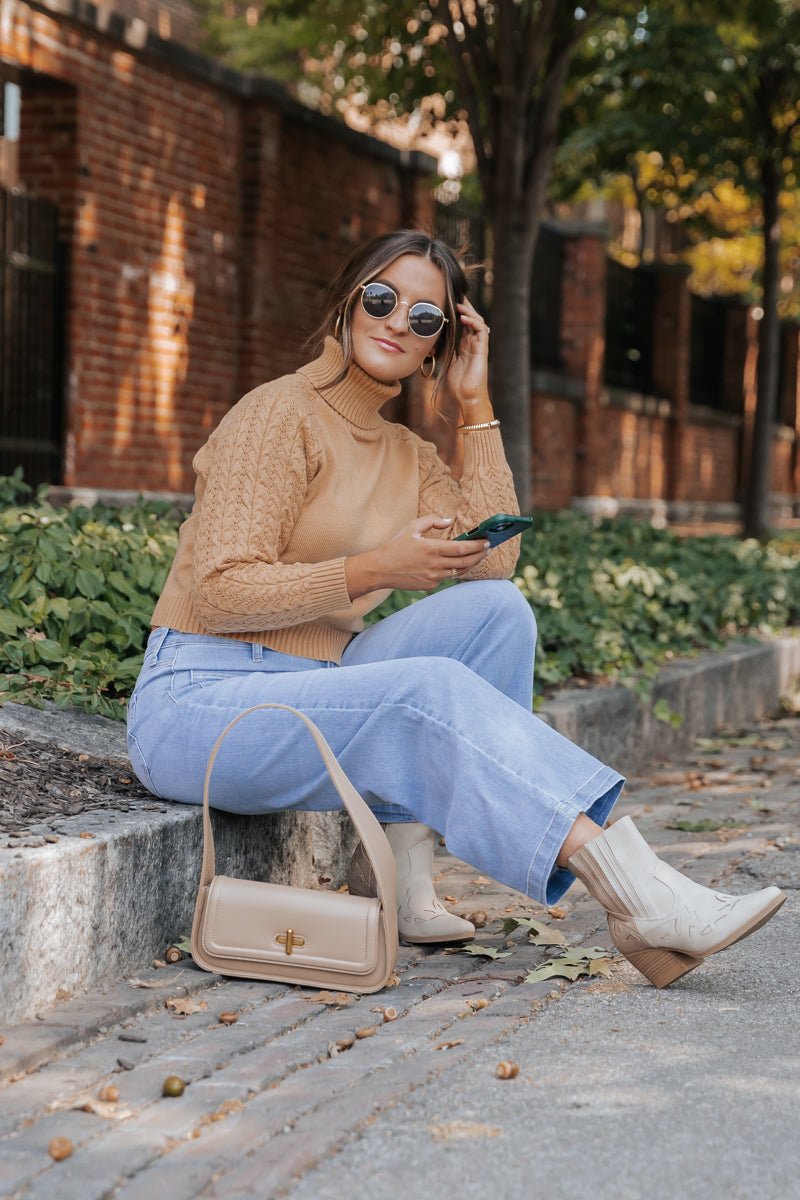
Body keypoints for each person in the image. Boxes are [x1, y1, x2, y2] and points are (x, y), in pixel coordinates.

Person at [127, 229, 785, 988]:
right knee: (424, 689)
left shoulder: (408, 455)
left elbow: (494, 558)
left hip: (315, 680)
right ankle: (637, 894)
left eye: (424, 318)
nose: (395, 322)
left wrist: (474, 407)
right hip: (200, 701)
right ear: (347, 302)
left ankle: (405, 886)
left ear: (441, 342)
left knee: (498, 612)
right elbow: (220, 590)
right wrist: (377, 569)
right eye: (381, 298)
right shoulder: (278, 414)